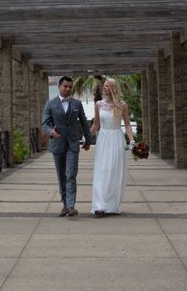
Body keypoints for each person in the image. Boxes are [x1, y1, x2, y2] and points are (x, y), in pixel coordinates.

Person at [41, 76, 92, 218]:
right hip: (57, 144)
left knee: (70, 174)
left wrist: (88, 139)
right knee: (61, 176)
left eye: (70, 87)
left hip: (73, 144)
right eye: (65, 86)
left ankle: (71, 206)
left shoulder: (77, 103)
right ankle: (64, 204)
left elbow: (83, 122)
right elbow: (44, 123)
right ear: (59, 86)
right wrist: (50, 132)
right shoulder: (50, 104)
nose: (68, 89)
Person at [90, 78, 135, 217]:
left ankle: (112, 205)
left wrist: (132, 141)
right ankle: (99, 205)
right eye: (104, 85)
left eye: (107, 86)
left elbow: (127, 125)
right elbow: (96, 124)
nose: (104, 88)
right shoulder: (98, 104)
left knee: (114, 171)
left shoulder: (122, 105)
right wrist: (86, 137)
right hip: (103, 139)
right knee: (102, 171)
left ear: (113, 88)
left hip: (116, 139)